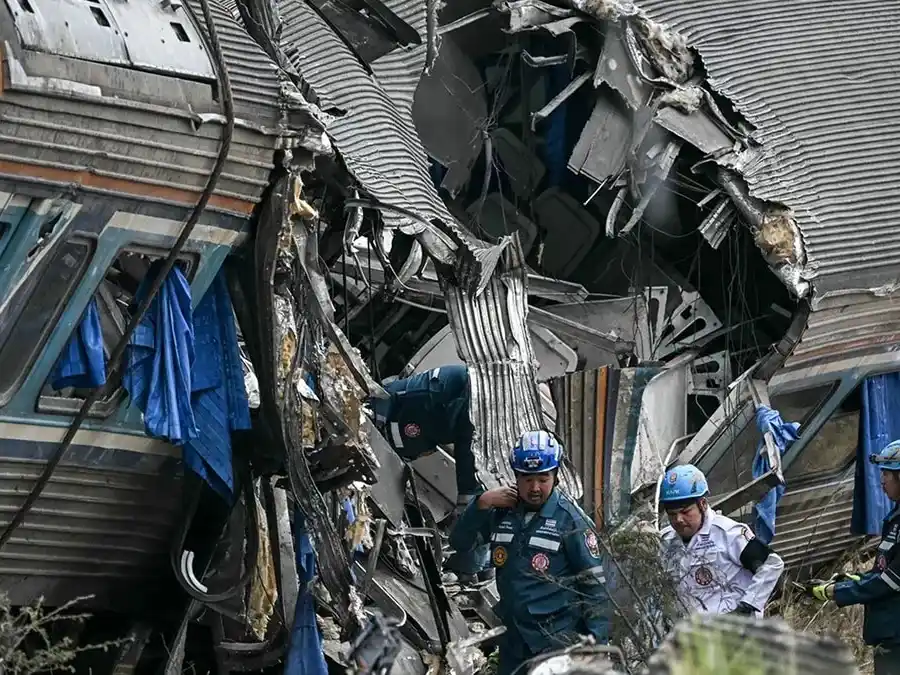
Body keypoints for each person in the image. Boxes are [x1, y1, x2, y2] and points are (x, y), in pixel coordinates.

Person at [450, 430, 610, 675]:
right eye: (527, 479)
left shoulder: (571, 521)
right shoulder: (502, 512)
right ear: (516, 477)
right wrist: (481, 503)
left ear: (555, 477)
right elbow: (460, 542)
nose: (534, 488)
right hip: (514, 642)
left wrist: (595, 648)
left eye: (543, 479)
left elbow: (595, 588)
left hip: (556, 644)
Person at [369, 365, 488, 579]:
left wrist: (468, 562)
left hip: (402, 442)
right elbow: (389, 395)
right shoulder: (440, 387)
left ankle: (470, 566)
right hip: (389, 427)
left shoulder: (475, 422)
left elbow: (470, 479)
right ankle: (469, 566)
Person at [806, 440, 900, 675]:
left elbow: (890, 581)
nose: (882, 481)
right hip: (890, 634)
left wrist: (835, 592)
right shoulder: (896, 519)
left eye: (887, 474)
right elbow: (882, 570)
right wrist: (851, 579)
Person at [659, 464, 784, 617]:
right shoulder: (665, 541)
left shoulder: (728, 533)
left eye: (685, 512)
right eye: (672, 514)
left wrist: (747, 606)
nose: (679, 520)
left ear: (703, 504)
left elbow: (772, 564)